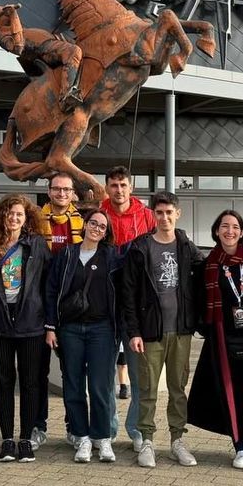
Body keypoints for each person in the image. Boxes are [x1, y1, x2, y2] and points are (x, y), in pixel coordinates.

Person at [187, 210, 243, 472]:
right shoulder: (209, 264)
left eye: (235, 226)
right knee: (233, 395)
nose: (230, 231)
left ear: (242, 232)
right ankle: (241, 446)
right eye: (224, 226)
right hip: (222, 340)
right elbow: (198, 300)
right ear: (216, 231)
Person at [119, 191, 203, 468]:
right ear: (152, 215)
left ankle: (177, 441)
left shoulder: (186, 246)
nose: (164, 217)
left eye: (169, 212)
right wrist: (133, 332)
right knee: (147, 389)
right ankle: (147, 441)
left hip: (180, 331)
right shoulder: (140, 248)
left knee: (178, 389)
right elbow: (128, 294)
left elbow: (205, 278)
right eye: (159, 212)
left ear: (177, 213)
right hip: (150, 332)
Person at [0, 194, 50, 463]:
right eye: (10, 213)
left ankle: (26, 439)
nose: (14, 218)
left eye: (19, 214)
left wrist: (48, 321)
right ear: (2, 216)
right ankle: (7, 440)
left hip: (32, 325)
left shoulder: (37, 245)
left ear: (26, 218)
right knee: (4, 383)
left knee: (30, 383)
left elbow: (47, 285)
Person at [44, 208, 121, 463]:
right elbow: (52, 290)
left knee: (101, 386)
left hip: (102, 329)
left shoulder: (112, 256)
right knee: (74, 386)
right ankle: (82, 437)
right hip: (70, 329)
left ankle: (103, 438)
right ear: (84, 224)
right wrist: (51, 326)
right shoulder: (66, 254)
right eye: (93, 223)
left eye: (102, 226)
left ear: (106, 232)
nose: (97, 228)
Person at [98, 165, 155, 452]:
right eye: (113, 185)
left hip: (136, 310)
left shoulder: (147, 216)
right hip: (105, 307)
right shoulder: (98, 215)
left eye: (123, 185)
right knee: (104, 374)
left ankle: (136, 430)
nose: (118, 190)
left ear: (130, 187)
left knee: (138, 374)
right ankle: (107, 429)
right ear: (106, 188)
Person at [33, 172, 84, 449]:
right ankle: (37, 426)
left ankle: (74, 427)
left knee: (72, 373)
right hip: (39, 306)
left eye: (67, 190)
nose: (62, 194)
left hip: (70, 309)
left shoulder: (83, 222)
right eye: (57, 189)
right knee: (37, 372)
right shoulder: (35, 221)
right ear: (49, 191)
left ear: (73, 193)